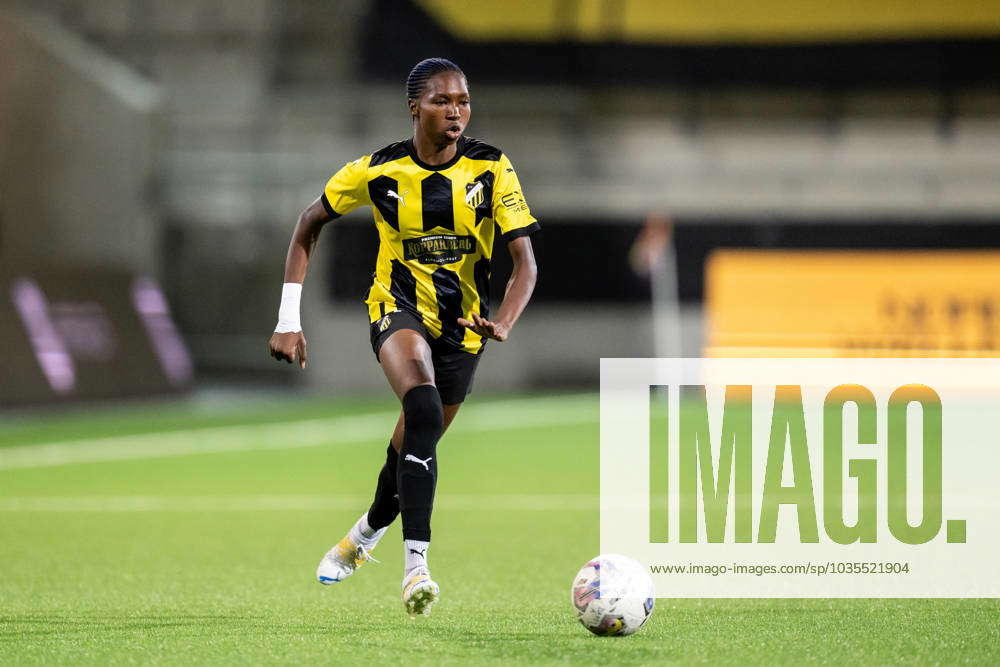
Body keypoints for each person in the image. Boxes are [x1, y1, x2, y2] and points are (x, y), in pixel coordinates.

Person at [267, 58, 539, 618]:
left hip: (465, 329)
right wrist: (288, 319)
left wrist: (505, 321)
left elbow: (524, 262)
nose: (456, 110)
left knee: (412, 446)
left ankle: (365, 532)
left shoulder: (492, 169)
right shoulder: (377, 171)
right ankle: (417, 567)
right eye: (442, 101)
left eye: (463, 100)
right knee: (421, 407)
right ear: (414, 107)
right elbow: (307, 225)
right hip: (397, 309)